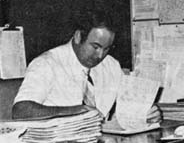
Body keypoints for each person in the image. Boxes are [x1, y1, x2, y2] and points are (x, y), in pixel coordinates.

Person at [12, 9, 162, 125]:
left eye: (106, 48)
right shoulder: (47, 64)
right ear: (78, 36)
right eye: (95, 46)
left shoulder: (111, 66)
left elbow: (122, 111)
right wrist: (74, 111)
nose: (100, 55)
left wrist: (144, 114)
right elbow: (20, 110)